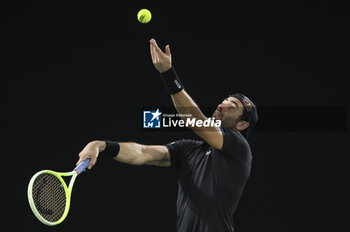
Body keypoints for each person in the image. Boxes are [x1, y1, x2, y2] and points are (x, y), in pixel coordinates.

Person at [77, 38, 258, 232]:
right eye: (224, 100)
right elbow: (142, 152)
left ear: (242, 124)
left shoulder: (239, 147)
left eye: (232, 106)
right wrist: (102, 145)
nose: (222, 105)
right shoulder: (188, 150)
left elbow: (194, 120)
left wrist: (168, 73)